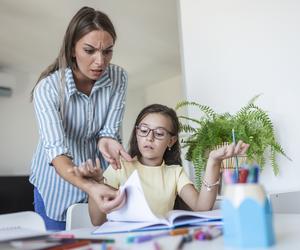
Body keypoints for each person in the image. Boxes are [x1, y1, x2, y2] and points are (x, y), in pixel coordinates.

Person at [29, 6, 132, 230]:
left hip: (100, 179)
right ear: (73, 49)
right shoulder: (48, 89)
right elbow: (57, 154)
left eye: (107, 52)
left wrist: (108, 141)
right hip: (55, 185)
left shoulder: (118, 78)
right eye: (90, 50)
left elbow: (108, 132)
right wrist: (90, 187)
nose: (100, 62)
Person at [79, 104, 249, 226]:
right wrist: (96, 184)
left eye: (159, 133)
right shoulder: (120, 166)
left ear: (171, 140)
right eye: (144, 130)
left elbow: (202, 207)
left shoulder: (175, 172)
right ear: (136, 133)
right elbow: (97, 220)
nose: (149, 138)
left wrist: (213, 161)